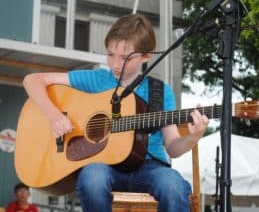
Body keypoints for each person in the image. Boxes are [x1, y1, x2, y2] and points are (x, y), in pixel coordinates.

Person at [23, 13, 209, 212]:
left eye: (125, 58)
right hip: (103, 166)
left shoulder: (160, 91)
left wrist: (192, 137)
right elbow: (32, 80)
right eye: (110, 54)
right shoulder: (95, 80)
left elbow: (172, 147)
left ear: (147, 56)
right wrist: (54, 116)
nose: (115, 64)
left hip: (150, 167)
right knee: (92, 178)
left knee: (173, 185)